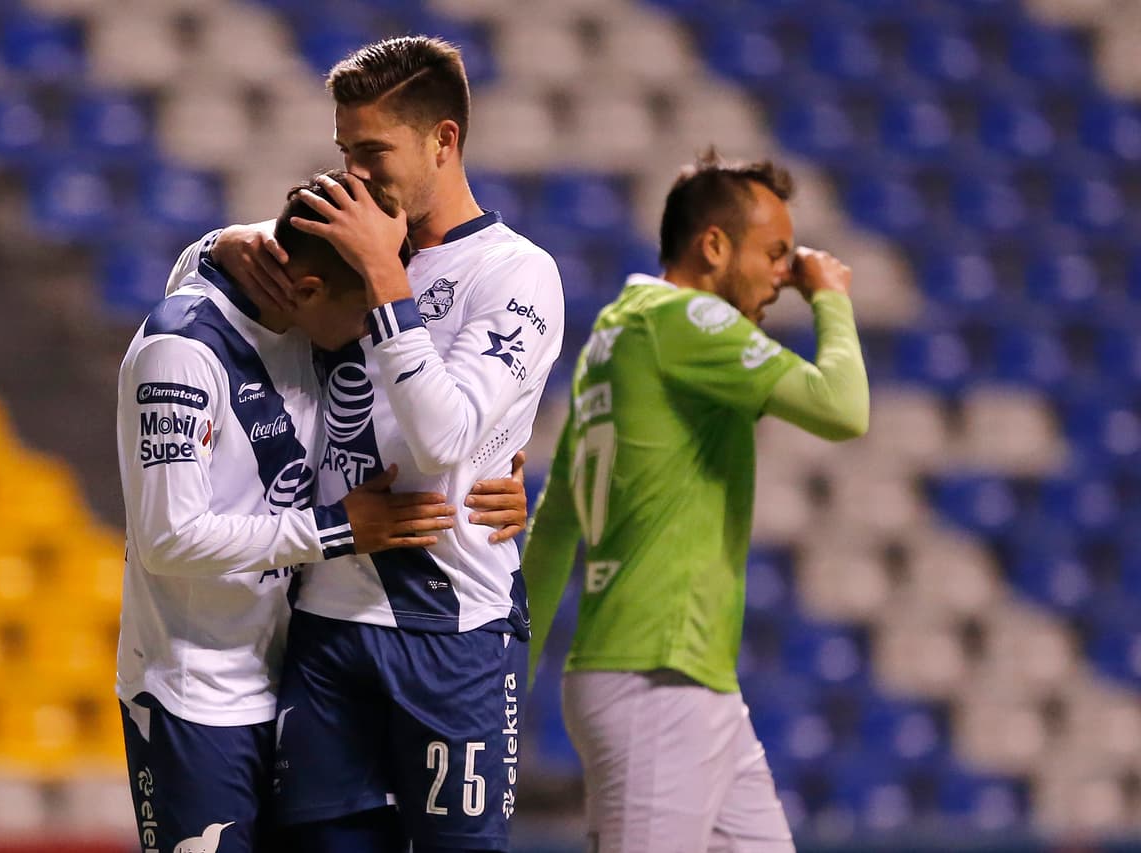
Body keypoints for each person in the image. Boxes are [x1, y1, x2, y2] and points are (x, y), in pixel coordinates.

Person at [208, 35, 564, 853]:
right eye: (345, 151)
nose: (356, 174)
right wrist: (222, 244)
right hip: (329, 625)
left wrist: (385, 283)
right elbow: (207, 284)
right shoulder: (353, 236)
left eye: (374, 151)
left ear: (444, 140)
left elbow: (444, 442)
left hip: (453, 634)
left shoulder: (515, 274)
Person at [117, 171, 528, 853]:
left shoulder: (309, 325)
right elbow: (168, 537)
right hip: (193, 691)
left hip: (288, 674)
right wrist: (341, 528)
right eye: (367, 311)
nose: (375, 331)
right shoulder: (180, 350)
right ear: (307, 291)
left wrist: (492, 481)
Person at [521, 150, 870, 853]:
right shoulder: (682, 320)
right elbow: (843, 408)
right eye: (775, 253)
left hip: (687, 679)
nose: (784, 272)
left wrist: (507, 674)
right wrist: (828, 295)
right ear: (713, 245)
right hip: (656, 681)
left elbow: (555, 523)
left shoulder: (618, 334)